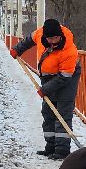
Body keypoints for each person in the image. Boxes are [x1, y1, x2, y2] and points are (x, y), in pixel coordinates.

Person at [11, 18, 81, 159]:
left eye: (56, 38)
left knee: (61, 113)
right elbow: (28, 40)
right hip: (49, 78)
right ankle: (50, 147)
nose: (53, 41)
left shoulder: (69, 50)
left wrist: (45, 89)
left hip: (67, 78)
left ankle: (61, 151)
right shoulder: (40, 34)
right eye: (50, 39)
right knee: (48, 112)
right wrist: (17, 49)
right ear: (45, 36)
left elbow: (64, 77)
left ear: (60, 35)